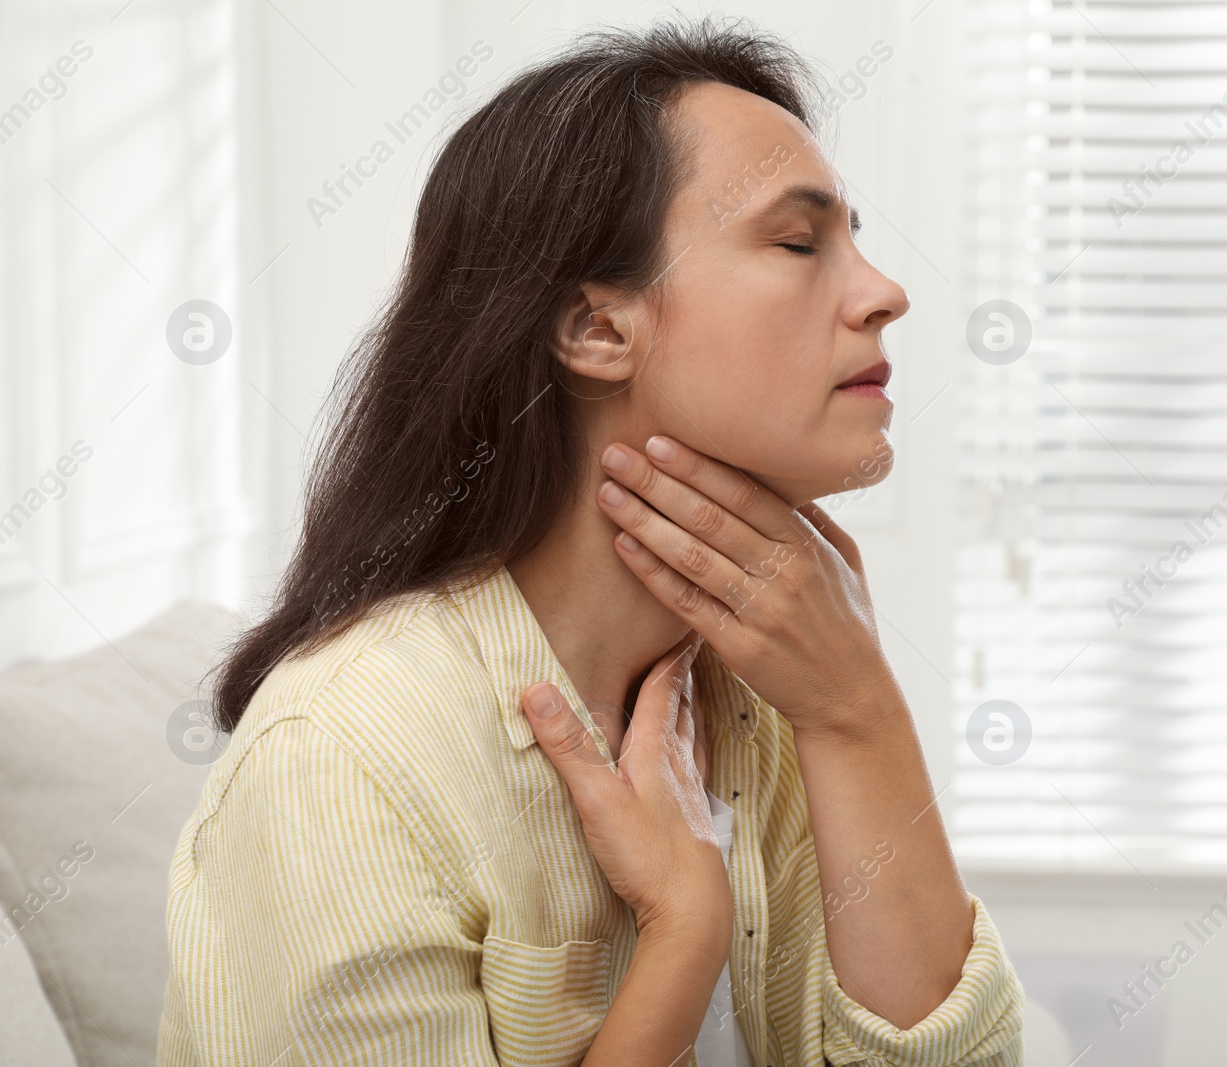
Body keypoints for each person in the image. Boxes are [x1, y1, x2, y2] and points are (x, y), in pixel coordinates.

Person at [157, 16, 1025, 1066]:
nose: (884, 290)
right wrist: (685, 934)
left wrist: (859, 712)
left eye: (854, 238)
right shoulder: (345, 757)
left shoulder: (770, 684)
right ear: (597, 329)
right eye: (800, 243)